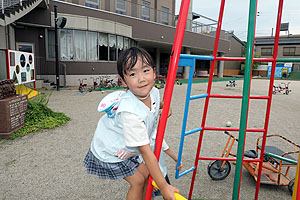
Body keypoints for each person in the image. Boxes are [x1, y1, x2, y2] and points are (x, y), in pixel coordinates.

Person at [83, 47, 179, 200]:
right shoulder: (130, 112)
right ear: (123, 80)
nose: (141, 79)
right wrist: (164, 186)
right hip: (111, 150)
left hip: (129, 145)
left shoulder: (153, 90)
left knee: (147, 174)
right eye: (133, 74)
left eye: (145, 71)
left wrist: (165, 108)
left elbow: (157, 102)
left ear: (154, 72)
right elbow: (147, 153)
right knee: (138, 181)